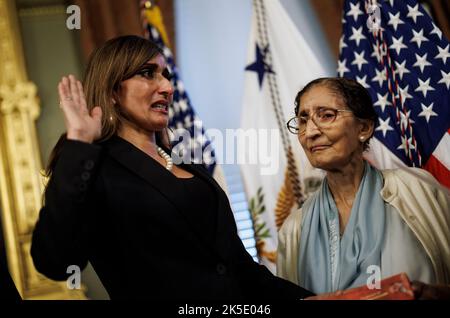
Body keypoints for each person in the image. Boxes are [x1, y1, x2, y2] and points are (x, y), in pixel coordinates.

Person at [30, 35, 313, 300]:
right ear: (113, 90)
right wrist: (79, 142)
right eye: (147, 73)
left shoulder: (192, 168)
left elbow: (240, 269)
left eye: (165, 75)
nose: (167, 87)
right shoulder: (94, 168)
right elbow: (55, 260)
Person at [278, 77, 450, 299]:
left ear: (364, 128)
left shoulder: (417, 190)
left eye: (327, 115)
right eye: (303, 120)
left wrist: (434, 293)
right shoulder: (293, 231)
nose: (310, 132)